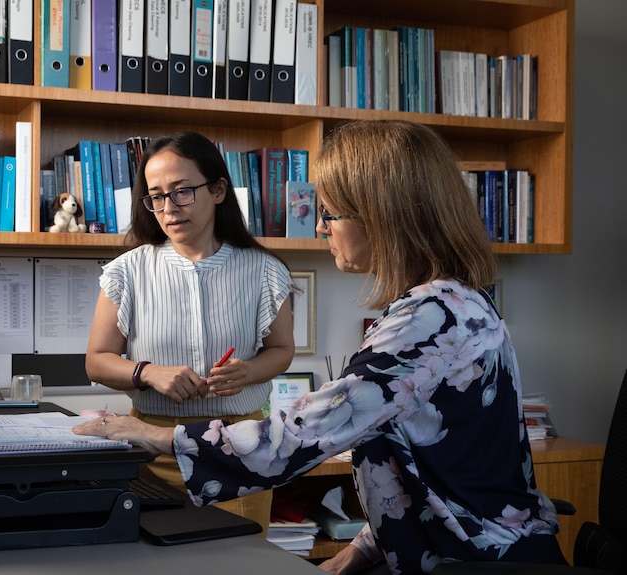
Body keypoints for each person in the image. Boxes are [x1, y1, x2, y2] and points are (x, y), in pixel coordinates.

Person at [75, 120, 567, 574]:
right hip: (464, 546)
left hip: (481, 559)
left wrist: (152, 434)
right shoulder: (450, 302)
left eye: (331, 213)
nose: (320, 227)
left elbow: (294, 439)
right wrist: (359, 550)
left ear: (383, 215)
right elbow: (432, 470)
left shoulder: (429, 319)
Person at [83, 130, 296, 531]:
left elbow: (282, 350)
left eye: (182, 191)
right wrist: (148, 372)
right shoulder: (127, 271)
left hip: (239, 448)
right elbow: (96, 362)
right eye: (156, 196)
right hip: (150, 447)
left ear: (218, 190)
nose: (168, 208)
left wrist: (248, 372)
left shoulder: (265, 270)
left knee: (239, 561)